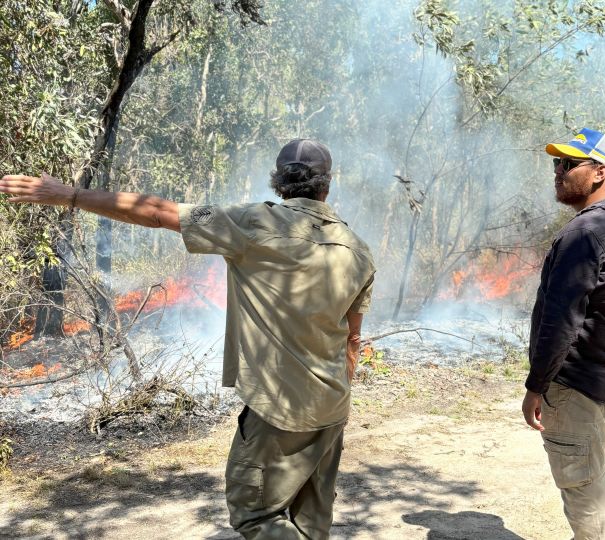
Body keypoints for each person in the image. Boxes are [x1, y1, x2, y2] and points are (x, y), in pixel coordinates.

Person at [0, 138, 376, 539]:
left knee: (256, 516)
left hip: (278, 407)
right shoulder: (358, 250)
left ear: (279, 184)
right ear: (327, 185)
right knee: (311, 522)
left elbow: (158, 213)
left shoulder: (254, 224)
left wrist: (70, 195)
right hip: (333, 404)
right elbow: (353, 339)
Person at [521, 128, 605, 539]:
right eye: (557, 162)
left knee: (583, 491)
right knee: (594, 477)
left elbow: (561, 322)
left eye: (570, 164)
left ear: (599, 173)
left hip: (575, 388)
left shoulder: (583, 235)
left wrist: (536, 386)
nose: (558, 171)